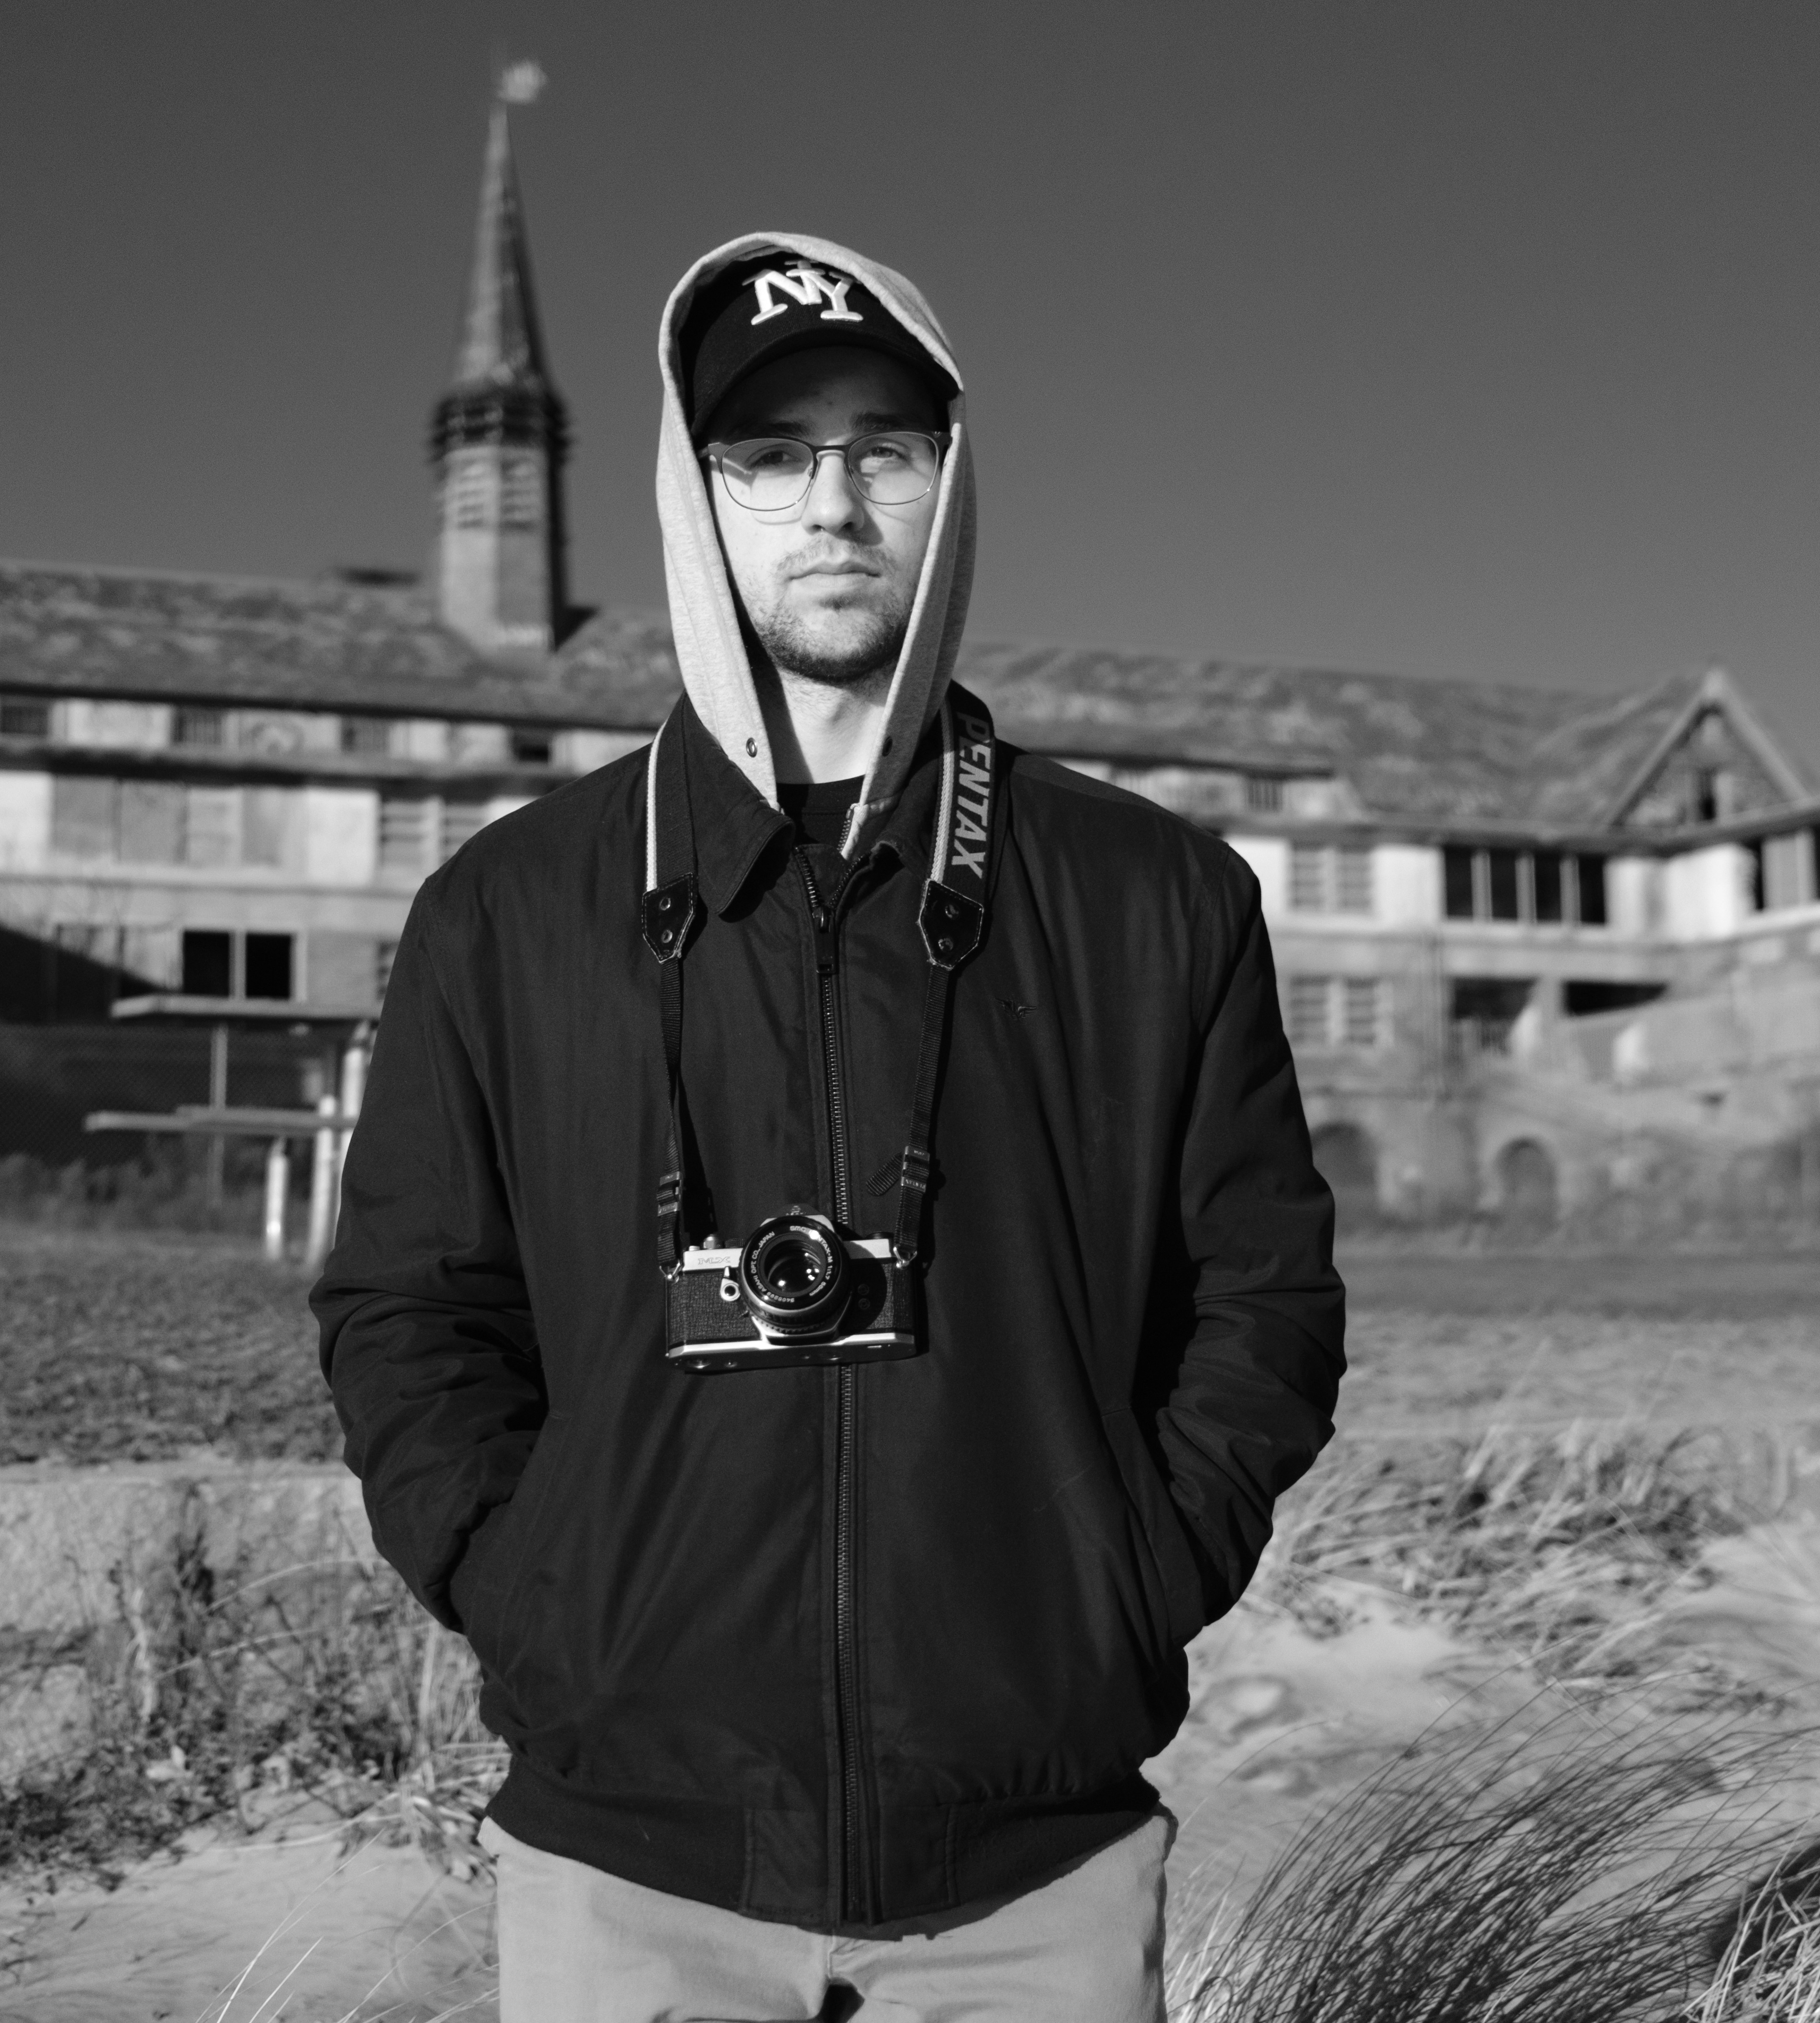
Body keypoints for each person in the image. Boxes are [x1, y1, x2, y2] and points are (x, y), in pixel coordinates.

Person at [314, 234, 1349, 2021]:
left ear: (953, 481)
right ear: (690, 494)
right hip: (622, 1855)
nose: (834, 503)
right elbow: (411, 1312)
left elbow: (1264, 1298)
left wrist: (1128, 1585)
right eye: (772, 454)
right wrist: (536, 1593)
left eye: (886, 445)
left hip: (1038, 1862)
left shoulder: (1154, 897)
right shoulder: (511, 908)